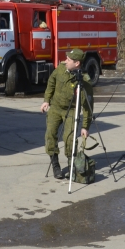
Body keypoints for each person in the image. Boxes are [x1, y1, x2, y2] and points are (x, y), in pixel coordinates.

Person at [40, 48, 93, 180]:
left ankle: (71, 165)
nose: (65, 61)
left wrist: (85, 126)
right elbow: (51, 82)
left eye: (68, 60)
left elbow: (87, 106)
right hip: (56, 108)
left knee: (69, 138)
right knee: (50, 134)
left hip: (71, 110)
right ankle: (55, 164)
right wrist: (46, 100)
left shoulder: (84, 81)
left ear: (77, 64)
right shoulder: (60, 69)